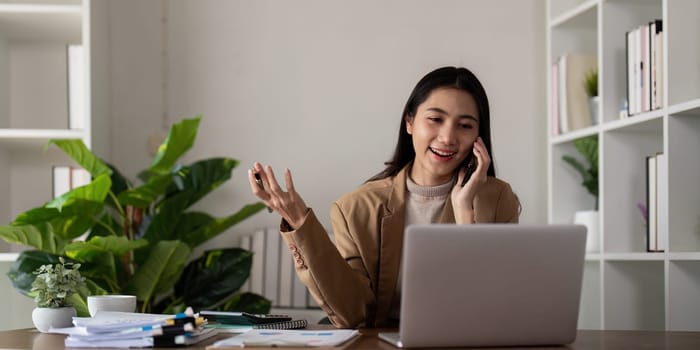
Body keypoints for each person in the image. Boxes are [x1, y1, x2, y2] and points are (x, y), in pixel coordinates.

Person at [248, 66, 520, 328]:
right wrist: (298, 220)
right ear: (410, 122)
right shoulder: (355, 209)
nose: (448, 137)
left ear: (478, 137)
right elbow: (352, 313)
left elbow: (493, 306)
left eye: (464, 125)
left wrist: (464, 213)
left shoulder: (496, 200)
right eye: (435, 119)